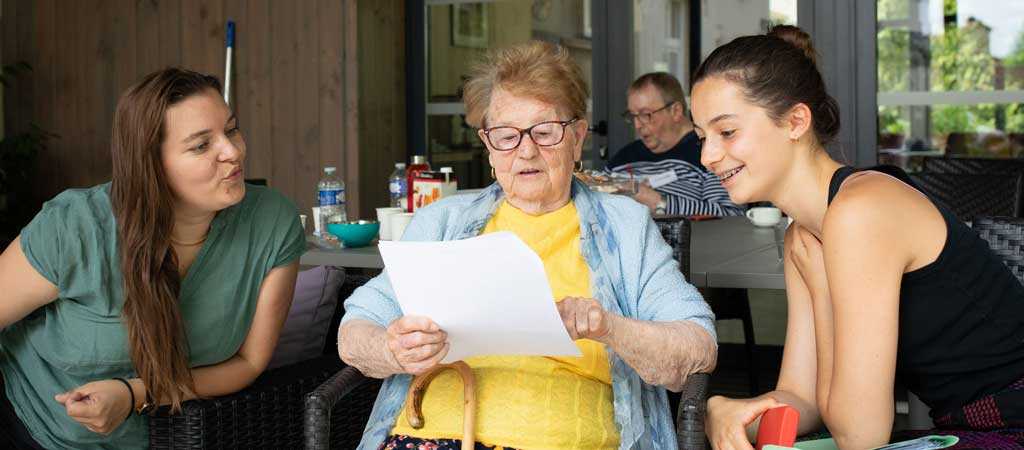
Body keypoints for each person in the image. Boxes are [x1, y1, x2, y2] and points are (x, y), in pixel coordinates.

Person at [337, 41, 717, 450]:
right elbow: (354, 331)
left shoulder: (624, 226)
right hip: (430, 435)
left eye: (545, 131)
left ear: (577, 138)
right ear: (488, 146)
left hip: (563, 436)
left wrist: (609, 326)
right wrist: (394, 349)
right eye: (506, 136)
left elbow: (697, 347)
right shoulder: (443, 221)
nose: (526, 150)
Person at [693, 25, 1024, 450]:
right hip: (965, 429)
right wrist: (729, 414)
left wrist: (824, 289)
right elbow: (803, 398)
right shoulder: (801, 238)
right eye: (702, 137)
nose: (707, 156)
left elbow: (860, 435)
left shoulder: (860, 212)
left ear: (796, 121)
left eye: (727, 132)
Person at [0, 68, 305, 450]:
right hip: (26, 425)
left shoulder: (272, 222)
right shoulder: (74, 228)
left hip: (167, 440)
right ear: (152, 165)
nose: (233, 152)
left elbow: (249, 363)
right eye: (200, 145)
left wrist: (134, 394)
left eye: (231, 130)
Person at [608, 72, 744, 217]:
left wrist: (656, 201)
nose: (637, 124)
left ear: (676, 111)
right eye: (633, 116)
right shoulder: (623, 158)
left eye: (645, 115)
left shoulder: (711, 153)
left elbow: (731, 215)